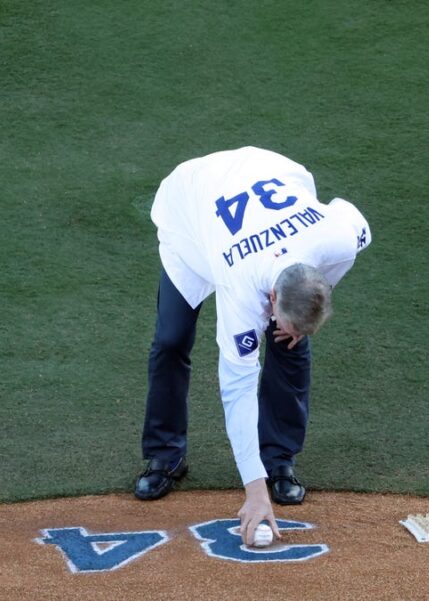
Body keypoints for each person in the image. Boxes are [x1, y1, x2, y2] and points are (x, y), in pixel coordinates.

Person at [134, 146, 371, 547]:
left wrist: (299, 324)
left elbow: (357, 226)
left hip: (267, 171)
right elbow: (237, 388)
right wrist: (253, 492)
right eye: (278, 316)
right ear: (271, 300)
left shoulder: (337, 238)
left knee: (289, 345)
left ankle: (279, 460)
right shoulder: (241, 288)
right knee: (171, 339)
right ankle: (165, 454)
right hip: (191, 212)